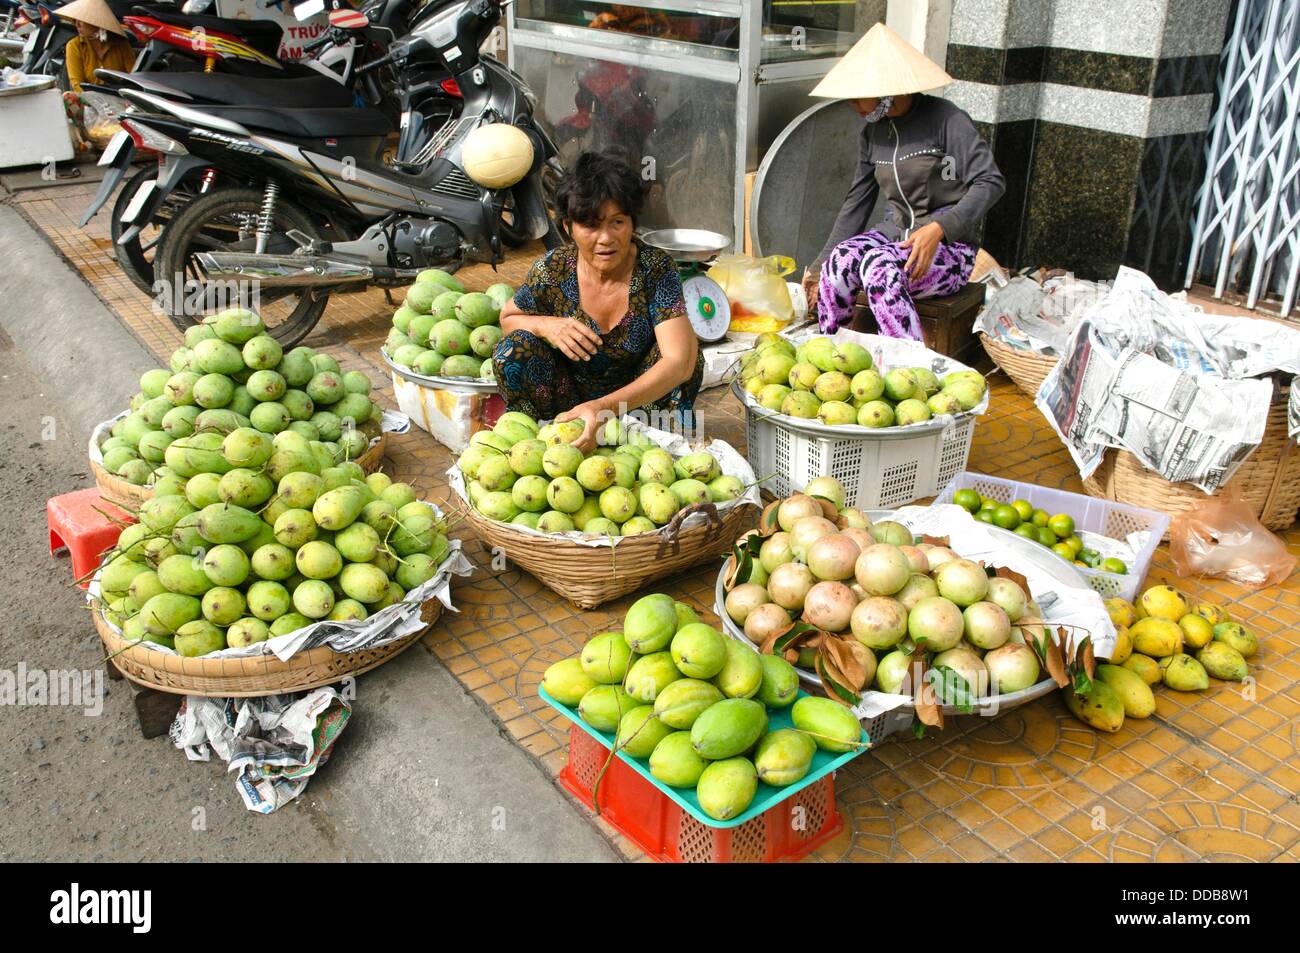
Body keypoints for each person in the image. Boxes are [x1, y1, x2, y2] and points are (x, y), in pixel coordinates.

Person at [803, 23, 1004, 339]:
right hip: (893, 237)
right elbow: (856, 203)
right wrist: (818, 267)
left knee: (880, 268)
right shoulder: (872, 133)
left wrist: (938, 230)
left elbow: (990, 181)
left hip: (950, 251)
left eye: (857, 98)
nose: (852, 107)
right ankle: (833, 355)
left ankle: (909, 366)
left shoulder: (946, 120)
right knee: (840, 262)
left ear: (887, 91)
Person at [494, 151, 704, 452]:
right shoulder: (553, 269)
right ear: (568, 228)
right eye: (591, 226)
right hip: (567, 407)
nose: (605, 238)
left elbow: (678, 362)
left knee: (689, 354)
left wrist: (602, 409)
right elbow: (508, 318)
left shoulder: (655, 268)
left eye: (617, 222)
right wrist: (546, 325)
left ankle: (659, 450)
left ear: (632, 224)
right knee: (512, 350)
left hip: (639, 407)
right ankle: (541, 447)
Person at [58, 0, 134, 95]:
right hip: (90, 97)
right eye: (76, 20)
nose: (77, 24)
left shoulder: (121, 44)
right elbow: (76, 83)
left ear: (97, 22)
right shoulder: (74, 45)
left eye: (82, 20)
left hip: (118, 96)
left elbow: (133, 77)